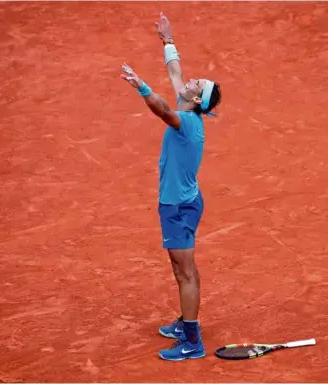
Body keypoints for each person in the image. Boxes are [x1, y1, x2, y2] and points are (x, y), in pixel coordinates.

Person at [120, 12, 222, 361]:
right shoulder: (191, 106)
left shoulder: (187, 121)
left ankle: (192, 341)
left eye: (198, 85)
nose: (192, 80)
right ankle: (184, 322)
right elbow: (176, 72)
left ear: (196, 100)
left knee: (185, 272)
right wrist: (168, 41)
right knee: (181, 270)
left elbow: (162, 109)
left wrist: (141, 87)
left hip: (178, 208)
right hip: (179, 204)